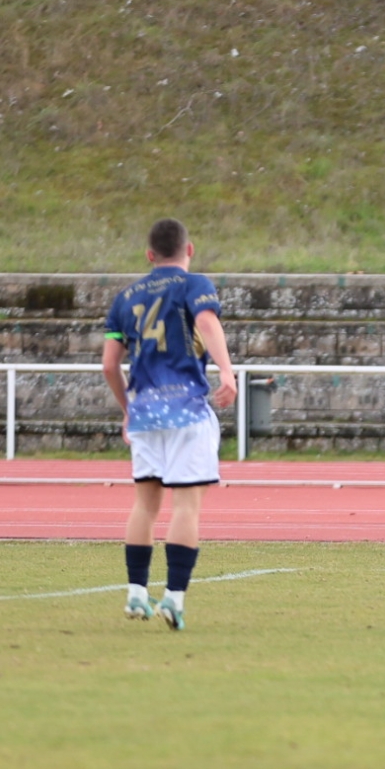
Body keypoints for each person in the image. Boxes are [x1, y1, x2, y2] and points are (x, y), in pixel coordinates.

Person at [101, 218, 238, 631]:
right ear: (189, 249)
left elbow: (110, 364)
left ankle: (136, 594)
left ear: (149, 255)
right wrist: (228, 374)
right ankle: (174, 599)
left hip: (144, 413)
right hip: (186, 411)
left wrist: (128, 407)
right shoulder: (194, 284)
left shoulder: (125, 297)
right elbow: (208, 323)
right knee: (185, 506)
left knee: (145, 504)